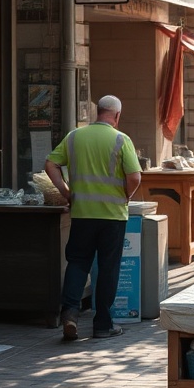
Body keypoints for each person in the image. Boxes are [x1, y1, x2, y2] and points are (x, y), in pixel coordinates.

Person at [45, 95, 142, 341]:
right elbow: (135, 177)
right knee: (108, 268)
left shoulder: (75, 136)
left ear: (97, 112)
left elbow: (51, 165)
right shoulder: (121, 139)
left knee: (77, 263)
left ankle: (70, 314)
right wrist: (126, 196)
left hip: (82, 214)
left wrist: (66, 192)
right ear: (117, 116)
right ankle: (102, 325)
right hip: (112, 217)